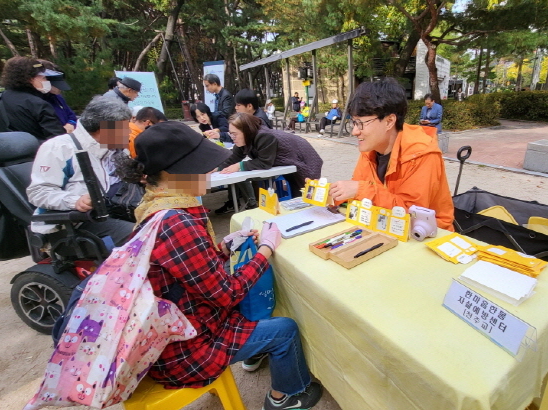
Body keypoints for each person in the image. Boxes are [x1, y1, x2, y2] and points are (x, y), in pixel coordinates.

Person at [115, 121, 323, 410]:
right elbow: (228, 293)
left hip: (175, 333)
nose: (211, 171)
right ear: (173, 172)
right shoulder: (177, 223)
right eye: (203, 165)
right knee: (284, 328)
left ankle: (255, 354)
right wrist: (266, 249)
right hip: (186, 350)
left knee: (256, 308)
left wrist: (225, 246)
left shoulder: (158, 210)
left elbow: (192, 269)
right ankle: (286, 396)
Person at [329, 79, 454, 230]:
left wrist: (360, 190)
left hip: (427, 235)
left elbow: (411, 216)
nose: (355, 131)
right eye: (354, 123)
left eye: (361, 123)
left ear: (389, 121)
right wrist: (334, 194)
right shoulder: (370, 149)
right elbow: (361, 192)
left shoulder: (421, 154)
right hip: (381, 225)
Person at [27, 96, 135, 246]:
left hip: (118, 209)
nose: (128, 132)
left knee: (170, 223)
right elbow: (38, 192)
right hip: (80, 222)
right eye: (124, 128)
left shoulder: (115, 149)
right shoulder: (58, 148)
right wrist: (75, 201)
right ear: (104, 129)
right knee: (149, 236)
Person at [215, 113, 323, 213]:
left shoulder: (264, 136)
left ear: (246, 131)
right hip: (291, 163)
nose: (232, 137)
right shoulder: (245, 139)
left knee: (308, 195)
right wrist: (218, 168)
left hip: (305, 161)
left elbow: (264, 163)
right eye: (230, 134)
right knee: (299, 198)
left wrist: (240, 165)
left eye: (235, 134)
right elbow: (235, 156)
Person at [0, 56, 64, 141]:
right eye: (43, 77)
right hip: (38, 152)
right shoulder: (38, 104)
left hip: (8, 151)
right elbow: (58, 139)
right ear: (30, 79)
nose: (46, 80)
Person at [40, 60, 77, 133]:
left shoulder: (57, 97)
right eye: (57, 85)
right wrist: (61, 130)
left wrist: (71, 124)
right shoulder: (37, 102)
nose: (60, 89)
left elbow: (72, 115)